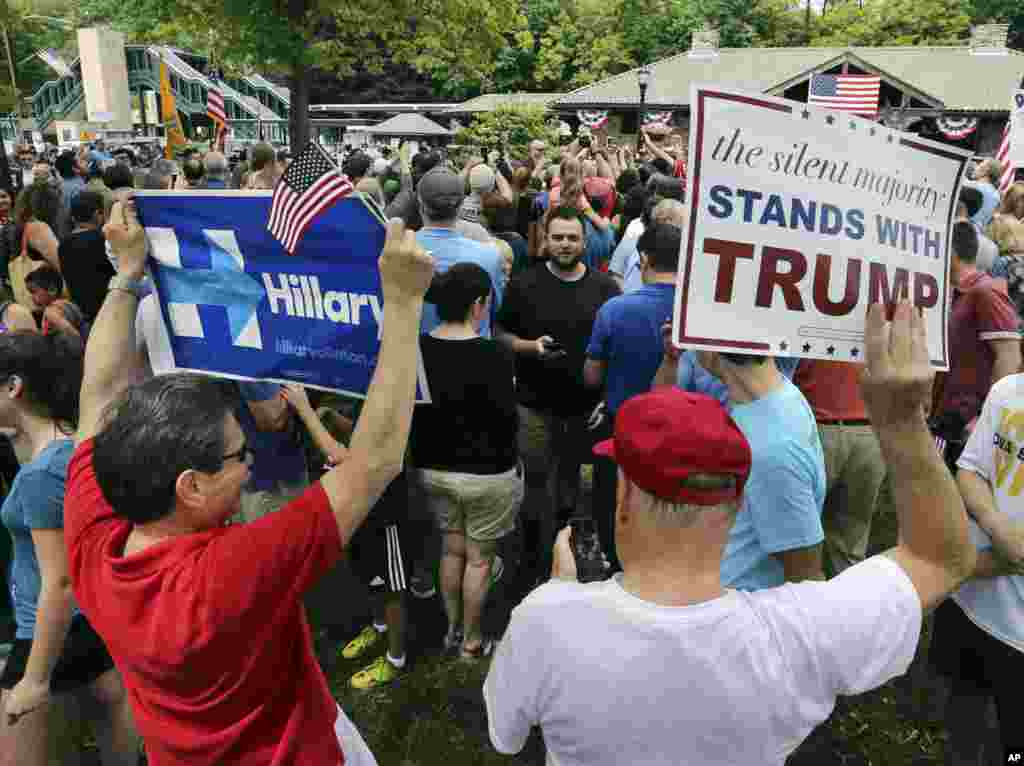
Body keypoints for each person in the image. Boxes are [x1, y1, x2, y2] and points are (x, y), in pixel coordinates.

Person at [485, 299, 978, 766]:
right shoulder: (798, 636)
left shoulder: (545, 622)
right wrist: (901, 420)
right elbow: (942, 559)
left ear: (625, 499)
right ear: (738, 501)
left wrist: (561, 592)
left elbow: (505, 736)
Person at [64, 206, 434, 765]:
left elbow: (98, 393)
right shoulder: (232, 574)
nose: (249, 463)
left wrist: (127, 272)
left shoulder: (95, 540)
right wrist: (403, 305)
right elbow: (374, 463)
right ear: (190, 486)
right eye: (239, 456)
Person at [0, 331, 138, 766]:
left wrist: (35, 678)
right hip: (91, 621)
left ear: (13, 387)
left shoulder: (40, 475)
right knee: (111, 726)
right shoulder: (69, 446)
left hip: (47, 630)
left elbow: (57, 581)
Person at [496, 207, 621, 581]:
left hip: (585, 409)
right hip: (534, 406)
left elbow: (615, 349)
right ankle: (535, 556)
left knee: (571, 481)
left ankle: (568, 546)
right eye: (558, 237)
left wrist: (605, 396)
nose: (565, 244)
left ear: (585, 242)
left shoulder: (605, 289)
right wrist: (529, 347)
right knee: (535, 483)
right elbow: (499, 334)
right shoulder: (524, 283)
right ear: (546, 240)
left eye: (572, 238)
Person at [410, 263, 522, 658]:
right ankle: (471, 641)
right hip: (487, 473)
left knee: (450, 551)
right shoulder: (496, 354)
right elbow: (508, 418)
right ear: (479, 304)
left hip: (433, 468)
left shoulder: (417, 348)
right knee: (479, 560)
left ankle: (451, 630)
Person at [931, 371, 1024, 764]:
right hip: (972, 599)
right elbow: (970, 470)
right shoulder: (1009, 391)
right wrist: (997, 526)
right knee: (963, 710)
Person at [584, 222, 680, 570]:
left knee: (615, 507)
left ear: (643, 259)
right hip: (679, 431)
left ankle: (617, 566)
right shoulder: (695, 314)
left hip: (623, 428)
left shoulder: (615, 309)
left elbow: (592, 376)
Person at [415, 167, 506, 338]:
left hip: (412, 358)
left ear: (420, 204)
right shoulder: (490, 255)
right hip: (474, 357)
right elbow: (494, 310)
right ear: (460, 205)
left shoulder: (396, 253)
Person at [58, 191, 116, 322]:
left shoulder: (63, 244)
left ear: (73, 217)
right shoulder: (104, 241)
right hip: (108, 310)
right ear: (97, 214)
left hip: (81, 314)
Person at [11, 184, 60, 309]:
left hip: (23, 296)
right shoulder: (37, 227)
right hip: (42, 297)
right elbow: (60, 262)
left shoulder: (22, 226)